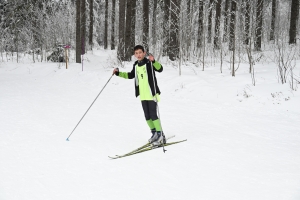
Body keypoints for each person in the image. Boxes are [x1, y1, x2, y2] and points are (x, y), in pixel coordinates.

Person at [113, 45, 165, 145]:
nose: (138, 55)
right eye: (136, 53)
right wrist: (118, 73)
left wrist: (153, 61)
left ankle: (160, 135)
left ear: (144, 53)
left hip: (151, 94)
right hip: (143, 95)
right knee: (147, 116)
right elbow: (130, 75)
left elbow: (160, 69)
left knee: (153, 115)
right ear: (134, 54)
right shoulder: (136, 65)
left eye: (140, 52)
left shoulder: (149, 63)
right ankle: (154, 133)